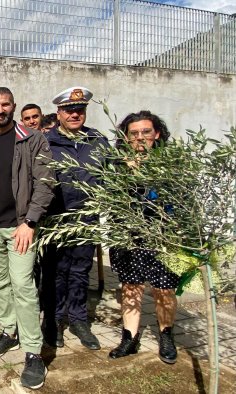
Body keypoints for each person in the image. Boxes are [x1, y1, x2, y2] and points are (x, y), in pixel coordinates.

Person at [0, 87, 54, 390]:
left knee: (22, 286)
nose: (0, 109)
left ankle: (33, 351)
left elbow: (45, 183)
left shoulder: (33, 139)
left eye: (5, 104)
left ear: (13, 106)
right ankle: (9, 331)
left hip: (20, 228)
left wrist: (30, 222)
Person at [108, 111, 178, 364]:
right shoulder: (117, 164)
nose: (140, 138)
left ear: (156, 133)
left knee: (164, 289)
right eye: (133, 133)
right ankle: (130, 337)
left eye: (145, 132)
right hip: (128, 236)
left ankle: (166, 335)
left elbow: (178, 201)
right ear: (126, 138)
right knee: (130, 286)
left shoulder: (170, 162)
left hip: (162, 237)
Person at [43, 86, 109, 351]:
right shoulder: (46, 142)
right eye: (69, 110)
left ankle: (79, 320)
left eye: (79, 110)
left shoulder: (98, 140)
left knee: (81, 271)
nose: (74, 114)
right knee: (56, 273)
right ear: (59, 112)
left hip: (87, 221)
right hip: (57, 220)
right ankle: (55, 320)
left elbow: (109, 175)